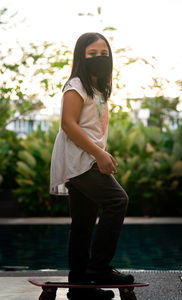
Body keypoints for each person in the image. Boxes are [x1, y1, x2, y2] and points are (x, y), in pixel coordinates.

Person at [50, 32, 134, 299]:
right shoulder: (76, 85)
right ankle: (98, 268)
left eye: (103, 54)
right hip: (80, 161)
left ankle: (80, 286)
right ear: (81, 58)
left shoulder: (98, 89)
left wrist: (100, 152)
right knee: (117, 200)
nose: (99, 58)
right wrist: (99, 154)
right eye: (92, 54)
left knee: (83, 222)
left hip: (84, 159)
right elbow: (68, 124)